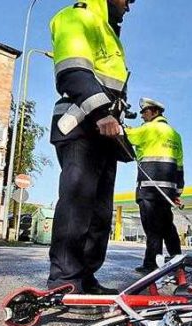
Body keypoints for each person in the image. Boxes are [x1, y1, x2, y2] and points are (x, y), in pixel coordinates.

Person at [46, 0, 136, 295]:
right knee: (78, 203)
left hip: (105, 132)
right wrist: (101, 113)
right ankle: (64, 279)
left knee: (100, 213)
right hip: (83, 125)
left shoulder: (109, 33)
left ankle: (85, 277)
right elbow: (72, 71)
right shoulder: (76, 16)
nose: (129, 7)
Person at [124, 98, 185, 273]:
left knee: (152, 229)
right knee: (167, 227)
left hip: (149, 188)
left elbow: (126, 135)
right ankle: (177, 262)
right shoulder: (175, 135)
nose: (142, 116)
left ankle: (151, 266)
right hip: (167, 191)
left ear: (154, 112)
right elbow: (180, 165)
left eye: (144, 112)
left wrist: (121, 123)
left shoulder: (148, 128)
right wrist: (177, 191)